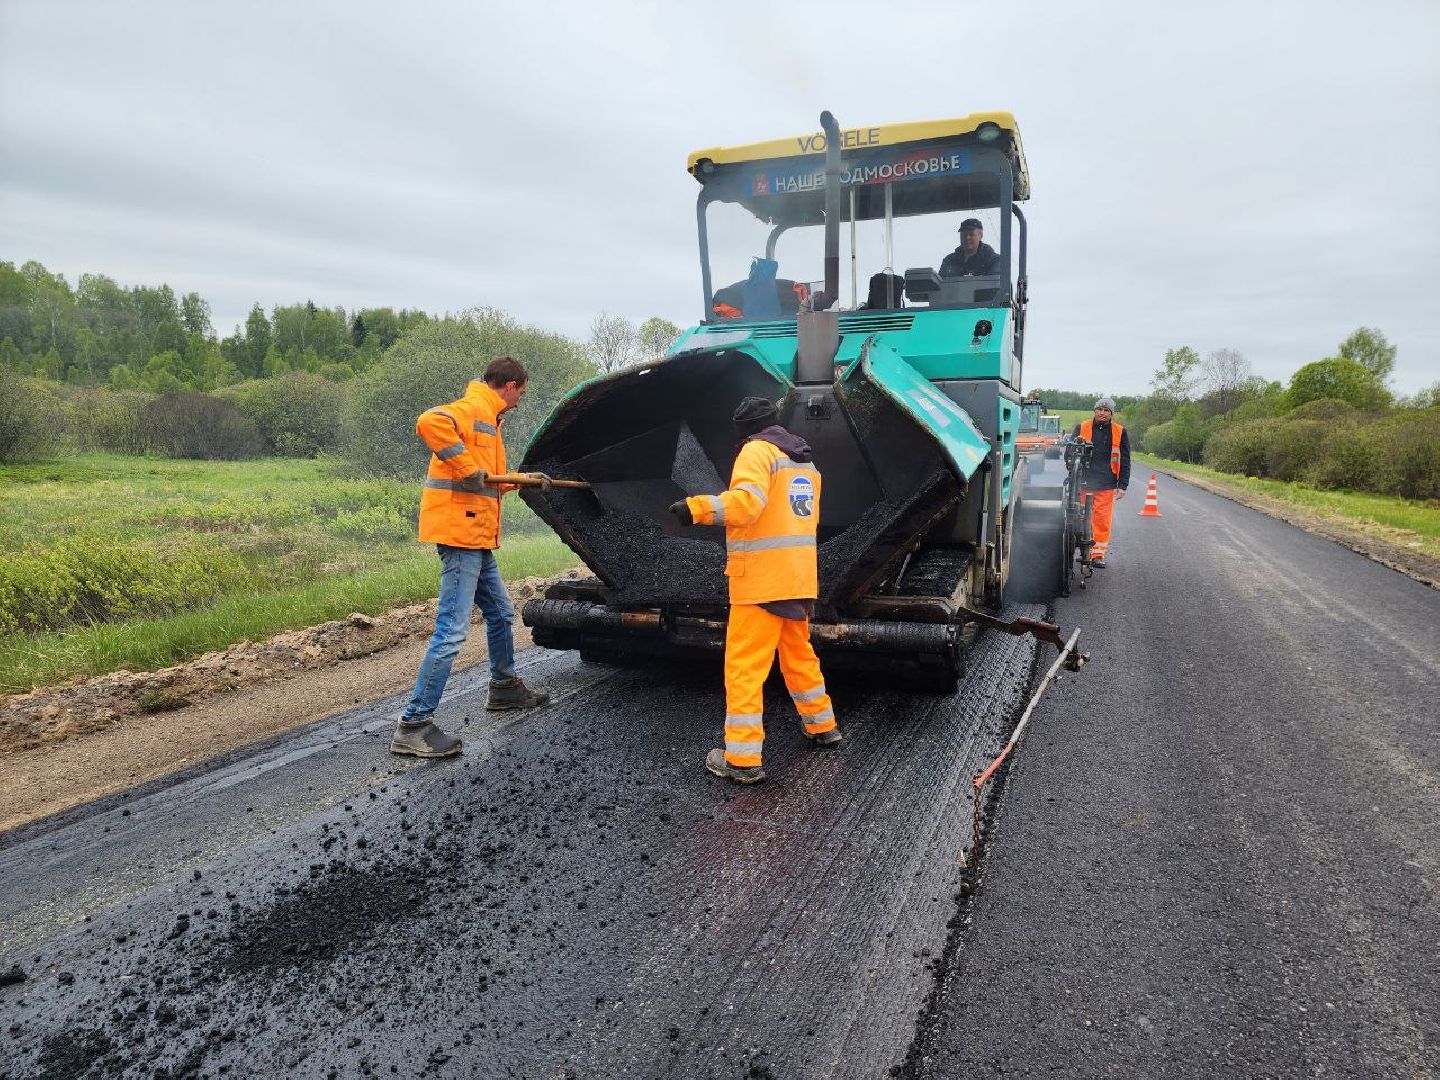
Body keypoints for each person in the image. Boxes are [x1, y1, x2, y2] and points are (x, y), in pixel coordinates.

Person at [668, 397, 841, 784]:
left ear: (745, 430)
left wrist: (696, 509)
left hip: (762, 583)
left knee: (744, 667)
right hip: (799, 578)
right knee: (799, 655)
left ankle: (742, 759)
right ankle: (822, 725)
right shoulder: (805, 463)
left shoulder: (755, 452)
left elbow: (746, 505)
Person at [391, 356, 552, 758]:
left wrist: (525, 480)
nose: (519, 402)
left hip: (476, 536)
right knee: (451, 631)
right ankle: (414, 725)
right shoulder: (475, 408)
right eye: (520, 393)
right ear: (510, 386)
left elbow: (487, 482)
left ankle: (504, 688)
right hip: (460, 536)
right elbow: (429, 421)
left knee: (500, 611)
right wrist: (465, 467)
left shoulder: (492, 423)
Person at [1072, 396, 1130, 568]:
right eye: (1099, 409)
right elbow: (1070, 452)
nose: (1102, 413)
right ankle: (1083, 550)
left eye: (1106, 410)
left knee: (1102, 520)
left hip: (1106, 483)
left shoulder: (1120, 431)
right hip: (1083, 481)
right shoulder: (1082, 427)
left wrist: (1123, 485)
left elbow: (1125, 460)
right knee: (1080, 517)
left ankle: (1097, 554)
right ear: (1094, 410)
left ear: (1111, 414)